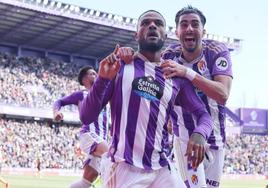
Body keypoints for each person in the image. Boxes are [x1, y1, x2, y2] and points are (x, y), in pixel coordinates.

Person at [79, 10, 213, 188]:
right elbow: (86, 116)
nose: (152, 26)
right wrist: (103, 80)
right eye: (145, 23)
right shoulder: (120, 66)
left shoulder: (175, 76)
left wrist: (199, 134)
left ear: (165, 35)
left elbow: (203, 114)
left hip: (162, 168)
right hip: (124, 166)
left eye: (158, 23)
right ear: (136, 35)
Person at [161, 5, 233, 188]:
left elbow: (223, 94)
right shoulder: (168, 55)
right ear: (177, 32)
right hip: (185, 138)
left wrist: (187, 73)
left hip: (215, 138)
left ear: (203, 31)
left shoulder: (217, 51)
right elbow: (160, 90)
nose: (189, 29)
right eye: (183, 25)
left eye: (195, 24)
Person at [53, 66, 110, 188]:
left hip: (101, 139)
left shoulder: (105, 94)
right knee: (111, 156)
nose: (96, 75)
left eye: (96, 73)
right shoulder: (81, 94)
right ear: (84, 79)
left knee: (86, 182)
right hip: (89, 135)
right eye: (92, 74)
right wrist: (56, 112)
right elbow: (59, 102)